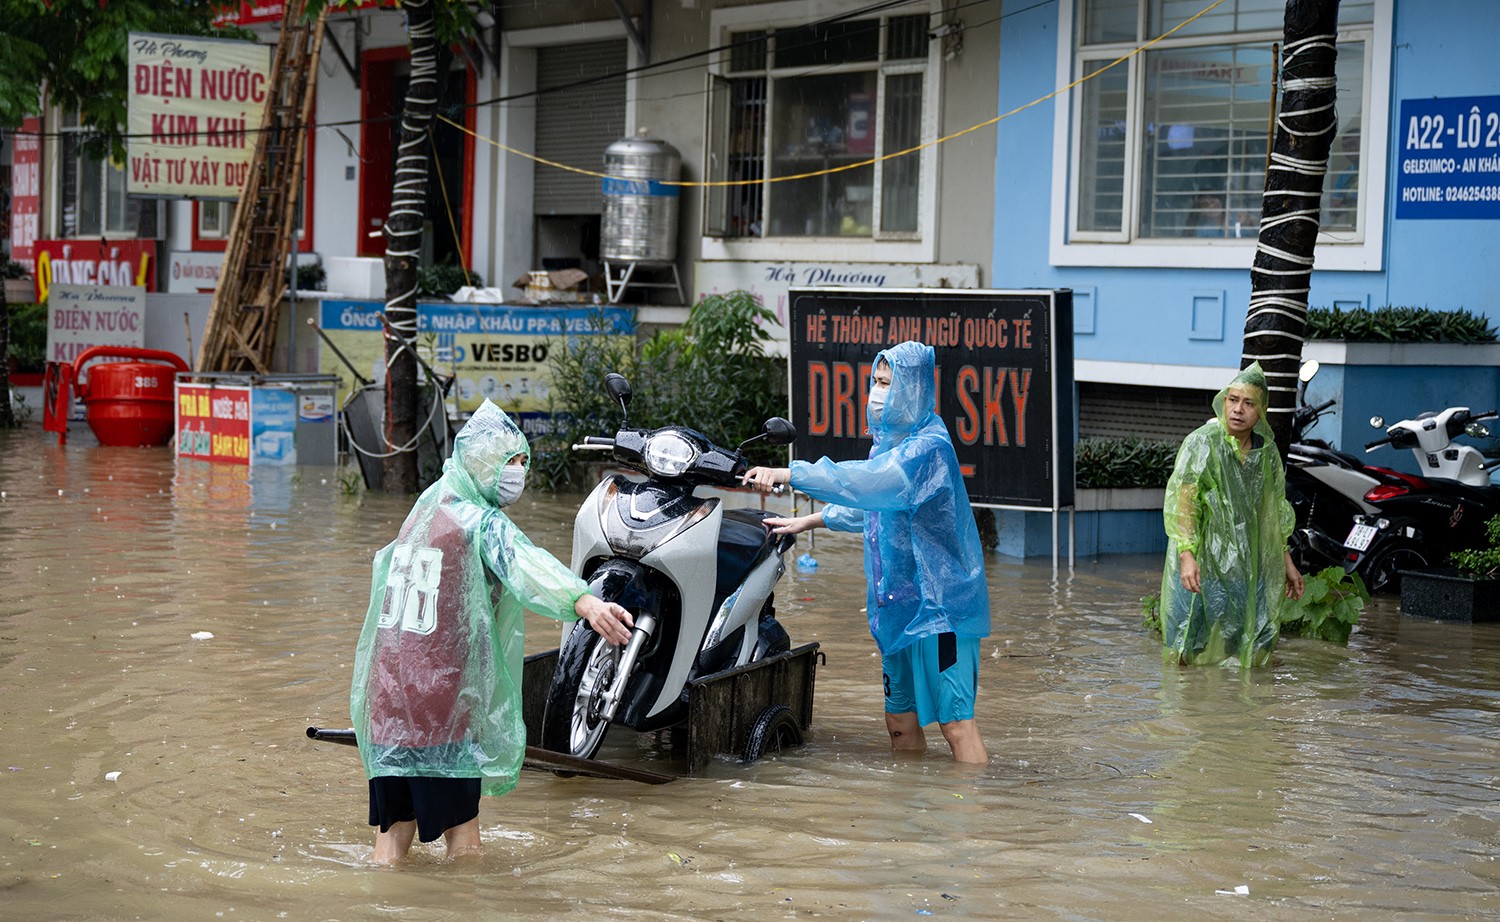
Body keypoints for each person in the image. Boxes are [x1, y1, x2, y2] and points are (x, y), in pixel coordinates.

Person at [349, 400, 633, 864]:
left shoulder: (425, 508)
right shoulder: (480, 522)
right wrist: (582, 599)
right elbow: (525, 563)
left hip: (387, 700)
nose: (518, 472)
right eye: (510, 462)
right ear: (483, 463)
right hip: (440, 705)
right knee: (465, 840)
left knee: (393, 834)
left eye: (522, 462)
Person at [742, 341, 991, 763]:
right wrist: (809, 521)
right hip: (898, 607)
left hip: (941, 609)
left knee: (955, 725)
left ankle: (972, 822)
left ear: (911, 391)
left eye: (887, 384)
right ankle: (912, 813)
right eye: (875, 382)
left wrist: (789, 473)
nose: (877, 393)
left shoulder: (928, 449)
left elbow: (868, 482)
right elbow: (873, 509)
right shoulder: (888, 446)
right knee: (899, 724)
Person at [1160, 362, 1304, 668]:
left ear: (1261, 411)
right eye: (1232, 399)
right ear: (1223, 401)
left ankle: (1234, 712)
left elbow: (1272, 511)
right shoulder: (1203, 442)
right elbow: (1184, 501)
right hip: (1201, 564)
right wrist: (1187, 554)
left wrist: (1286, 562)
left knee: (1246, 645)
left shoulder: (1265, 452)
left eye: (1248, 403)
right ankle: (1187, 712)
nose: (1238, 409)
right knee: (1186, 644)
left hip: (1246, 567)